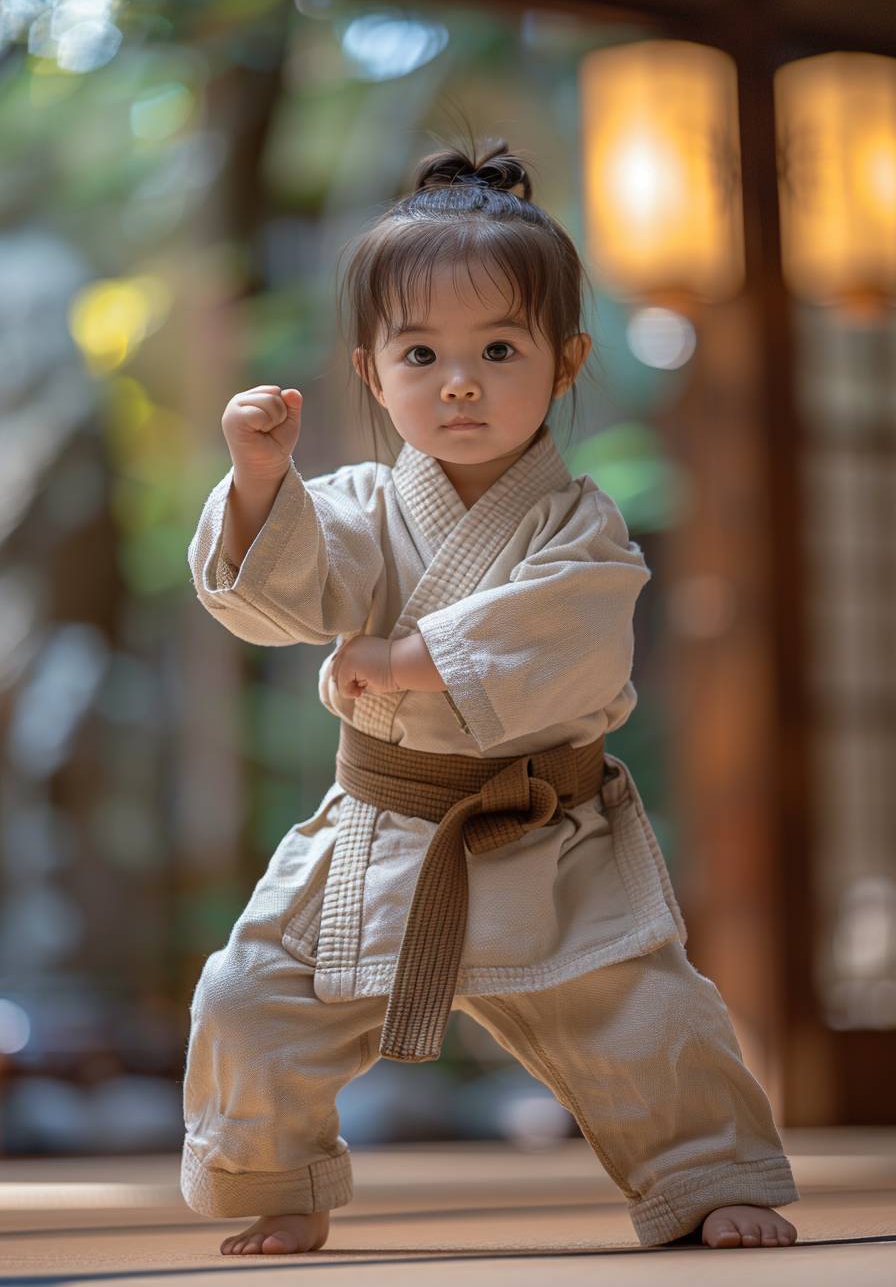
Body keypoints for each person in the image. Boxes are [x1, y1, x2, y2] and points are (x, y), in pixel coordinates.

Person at [180, 136, 800, 1256]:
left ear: (564, 361)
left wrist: (406, 662)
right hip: (377, 831)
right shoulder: (362, 503)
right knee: (247, 998)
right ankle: (279, 1180)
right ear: (370, 373)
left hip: (543, 837)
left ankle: (705, 1176)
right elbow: (277, 594)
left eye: (497, 347)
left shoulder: (578, 524)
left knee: (650, 1016)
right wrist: (261, 481)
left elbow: (570, 624)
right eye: (418, 352)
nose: (456, 381)